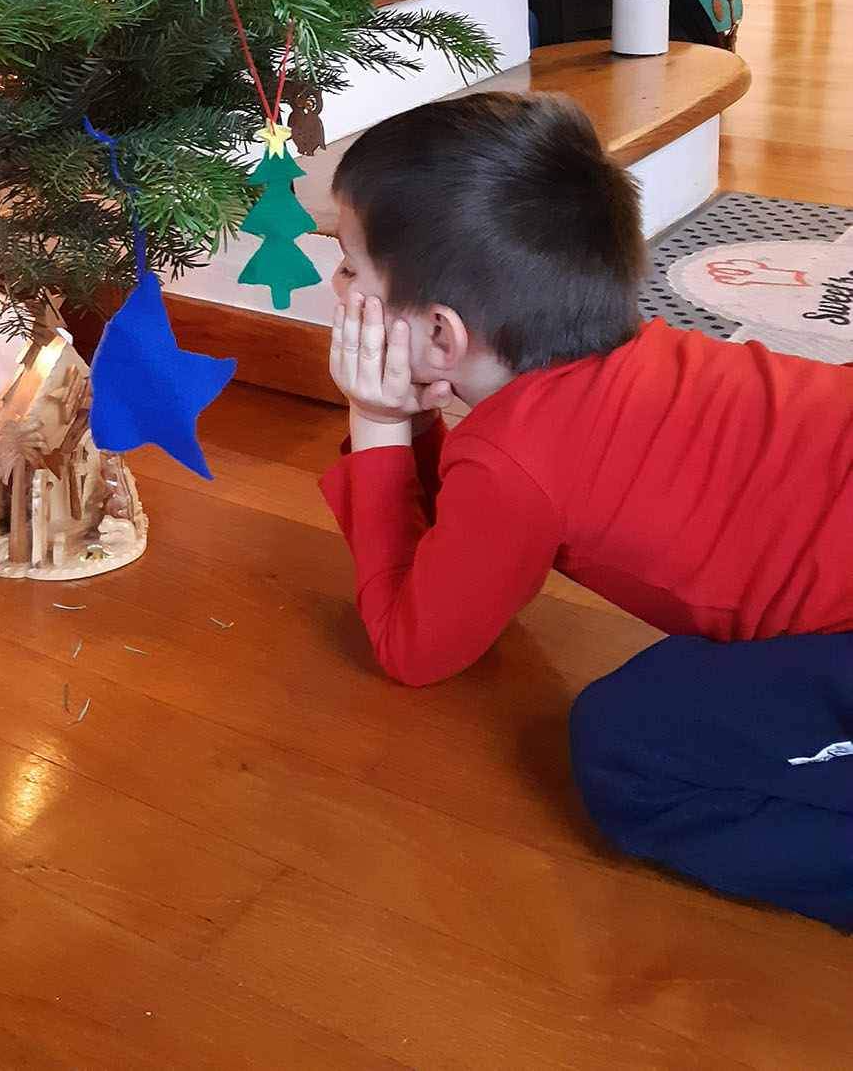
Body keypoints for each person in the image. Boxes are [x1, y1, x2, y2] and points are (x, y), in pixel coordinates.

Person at [319, 89, 853, 929]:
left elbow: (412, 644)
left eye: (349, 266)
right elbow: (460, 538)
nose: (335, 283)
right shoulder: (633, 359)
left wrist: (378, 420)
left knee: (626, 745)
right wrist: (410, 420)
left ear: (442, 335)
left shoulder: (515, 461)